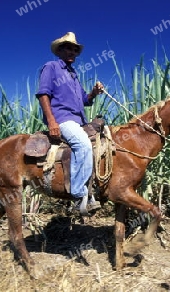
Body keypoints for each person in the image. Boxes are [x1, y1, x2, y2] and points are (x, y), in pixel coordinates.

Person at [36, 32, 103, 215]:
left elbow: (85, 100)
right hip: (63, 118)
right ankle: (79, 196)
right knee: (83, 144)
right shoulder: (51, 67)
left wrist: (94, 93)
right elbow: (43, 94)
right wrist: (52, 122)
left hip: (79, 121)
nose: (72, 51)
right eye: (68, 48)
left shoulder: (73, 75)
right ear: (59, 50)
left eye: (75, 49)